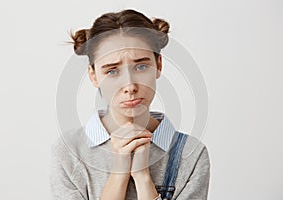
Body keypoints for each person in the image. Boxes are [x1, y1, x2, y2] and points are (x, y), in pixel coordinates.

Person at [50, 9, 210, 200]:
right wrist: (119, 173)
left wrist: (143, 177)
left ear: (158, 65)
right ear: (94, 75)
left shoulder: (191, 153)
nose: (130, 86)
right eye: (112, 71)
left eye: (141, 66)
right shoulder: (70, 151)